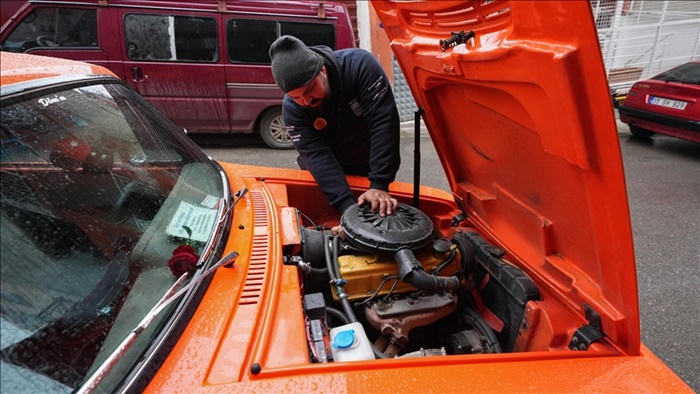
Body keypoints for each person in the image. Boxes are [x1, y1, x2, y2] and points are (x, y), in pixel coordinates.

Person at [268, 35, 401, 235]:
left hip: (370, 162)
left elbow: (383, 123)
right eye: (296, 97)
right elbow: (316, 155)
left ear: (323, 70)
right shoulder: (292, 108)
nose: (305, 101)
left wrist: (379, 183)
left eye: (310, 90)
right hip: (334, 170)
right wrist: (348, 209)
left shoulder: (360, 67)